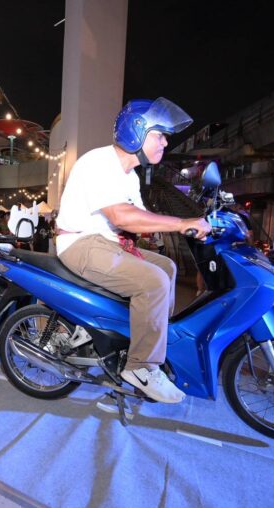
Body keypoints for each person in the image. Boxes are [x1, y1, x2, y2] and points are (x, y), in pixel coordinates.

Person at [56, 97, 211, 403]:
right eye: (159, 135)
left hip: (108, 242)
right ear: (136, 131)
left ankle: (147, 342)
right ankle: (142, 367)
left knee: (167, 267)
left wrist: (190, 226)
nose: (165, 142)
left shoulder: (130, 177)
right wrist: (181, 223)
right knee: (154, 281)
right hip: (81, 242)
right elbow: (122, 217)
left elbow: (140, 220)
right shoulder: (100, 162)